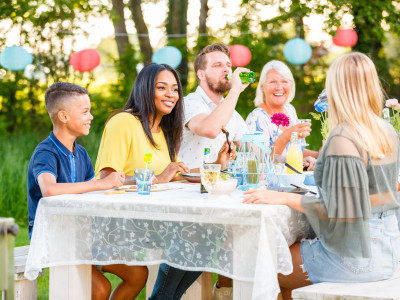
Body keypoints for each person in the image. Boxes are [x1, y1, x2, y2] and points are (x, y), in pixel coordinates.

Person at [243, 52, 400, 300]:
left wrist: (281, 198)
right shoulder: (386, 130)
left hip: (354, 258)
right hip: (389, 250)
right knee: (284, 257)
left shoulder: (343, 137)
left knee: (259, 262)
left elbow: (338, 209)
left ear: (336, 88)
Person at [95, 63, 232, 299]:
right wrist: (157, 179)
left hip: (155, 216)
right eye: (162, 87)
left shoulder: (165, 129)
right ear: (145, 89)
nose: (171, 94)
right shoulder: (123, 122)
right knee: (193, 234)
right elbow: (107, 179)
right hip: (119, 219)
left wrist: (218, 165)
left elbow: (178, 174)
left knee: (210, 234)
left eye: (175, 89)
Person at [26, 82, 146, 300]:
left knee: (138, 274)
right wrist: (100, 184)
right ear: (63, 116)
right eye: (85, 111)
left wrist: (135, 182)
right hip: (55, 237)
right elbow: (49, 190)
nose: (91, 116)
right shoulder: (46, 152)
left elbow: (98, 189)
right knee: (100, 288)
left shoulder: (80, 153)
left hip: (83, 234)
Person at [178, 43, 249, 300]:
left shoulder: (231, 110)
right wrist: (236, 92)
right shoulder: (190, 103)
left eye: (228, 65)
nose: (227, 70)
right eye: (218, 65)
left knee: (245, 234)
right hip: (186, 195)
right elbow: (209, 128)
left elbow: (254, 147)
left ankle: (227, 293)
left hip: (216, 196)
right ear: (200, 74)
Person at [245, 60, 318, 170]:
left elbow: (292, 152)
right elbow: (261, 162)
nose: (279, 87)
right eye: (273, 82)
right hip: (268, 185)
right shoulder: (256, 118)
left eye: (284, 81)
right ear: (262, 87)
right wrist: (286, 136)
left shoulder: (289, 109)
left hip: (293, 180)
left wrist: (321, 156)